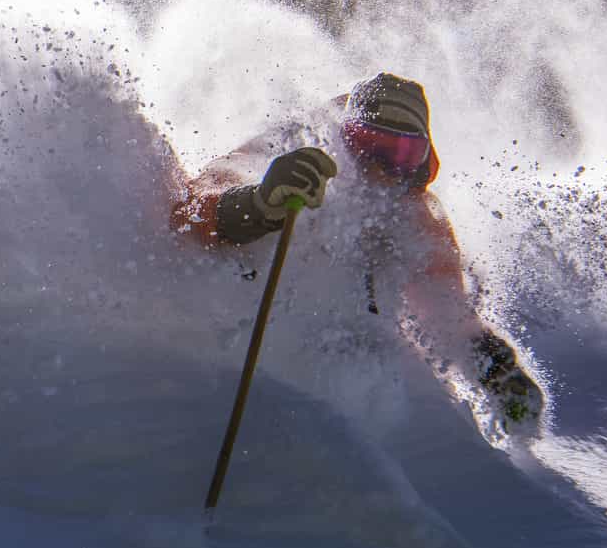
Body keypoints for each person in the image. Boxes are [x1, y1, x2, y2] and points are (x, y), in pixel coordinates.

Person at [171, 72, 543, 427]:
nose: (380, 169)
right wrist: (259, 204)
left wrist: (497, 370)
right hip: (228, 335)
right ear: (343, 137)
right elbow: (190, 208)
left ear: (421, 160)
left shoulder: (415, 215)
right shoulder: (296, 145)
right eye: (368, 146)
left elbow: (448, 313)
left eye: (401, 154)